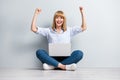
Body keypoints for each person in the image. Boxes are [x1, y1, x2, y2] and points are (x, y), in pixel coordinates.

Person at [31, 7, 86, 71]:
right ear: (54, 19)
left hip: (66, 58)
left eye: (61, 18)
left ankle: (52, 66)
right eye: (57, 17)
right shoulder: (48, 30)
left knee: (79, 53)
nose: (59, 20)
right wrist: (36, 14)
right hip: (52, 58)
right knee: (39, 52)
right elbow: (33, 29)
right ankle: (64, 67)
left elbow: (84, 27)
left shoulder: (69, 30)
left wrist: (82, 12)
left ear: (64, 20)